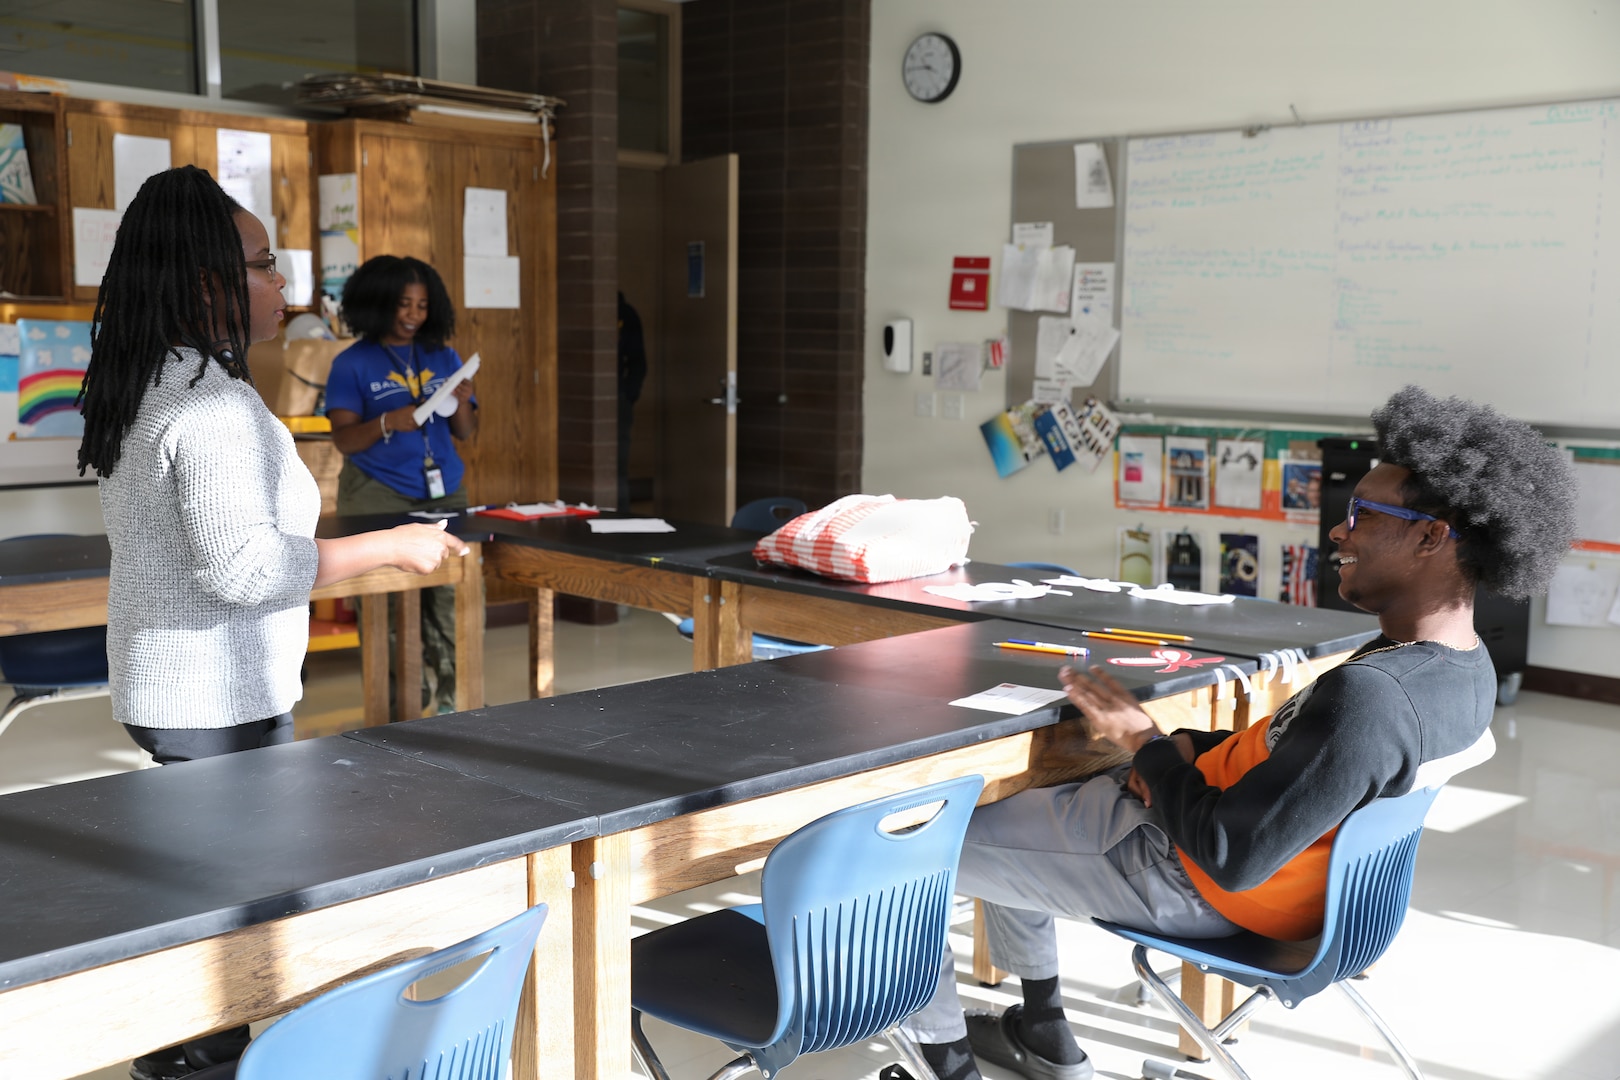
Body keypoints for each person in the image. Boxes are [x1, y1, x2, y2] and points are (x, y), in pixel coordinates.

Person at [903, 385, 1577, 1080]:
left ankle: (950, 1063)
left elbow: (1231, 852)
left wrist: (1147, 744)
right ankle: (1042, 1028)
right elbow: (1298, 766)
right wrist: (1189, 746)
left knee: (907, 852)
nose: (1338, 532)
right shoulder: (1460, 668)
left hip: (1185, 873)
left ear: (1432, 537)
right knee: (1020, 796)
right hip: (1249, 865)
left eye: (1361, 515)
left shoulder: (1371, 695)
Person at [75, 165, 469, 1080]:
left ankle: (199, 1052)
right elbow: (247, 569)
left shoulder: (150, 375)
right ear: (210, 281)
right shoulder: (211, 403)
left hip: (172, 683)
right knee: (225, 935)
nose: (285, 285)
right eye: (265, 264)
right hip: (212, 693)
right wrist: (389, 548)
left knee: (208, 904)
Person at [325, 256, 478, 715]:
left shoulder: (443, 355)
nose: (413, 315)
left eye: (422, 305)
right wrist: (389, 421)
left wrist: (463, 400)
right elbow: (345, 440)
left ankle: (457, 705)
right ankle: (397, 709)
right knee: (386, 607)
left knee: (452, 600)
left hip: (444, 491)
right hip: (376, 492)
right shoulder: (351, 363)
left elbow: (465, 432)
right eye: (403, 305)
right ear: (378, 305)